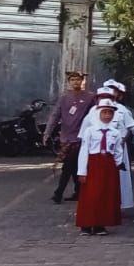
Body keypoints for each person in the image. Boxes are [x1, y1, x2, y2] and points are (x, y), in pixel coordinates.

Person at [76, 98, 130, 235]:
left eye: (110, 113)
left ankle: (100, 224)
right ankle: (86, 224)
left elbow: (118, 151)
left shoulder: (115, 133)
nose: (107, 116)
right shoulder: (90, 131)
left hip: (108, 165)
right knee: (91, 194)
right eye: (104, 112)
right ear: (98, 113)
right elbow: (84, 150)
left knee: (105, 194)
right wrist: (82, 171)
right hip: (93, 164)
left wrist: (118, 164)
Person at [43, 69, 94, 203]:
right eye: (72, 80)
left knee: (68, 166)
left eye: (78, 79)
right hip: (66, 138)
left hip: (81, 139)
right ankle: (78, 192)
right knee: (73, 166)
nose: (75, 82)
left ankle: (58, 193)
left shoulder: (90, 97)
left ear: (83, 81)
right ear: (69, 82)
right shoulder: (64, 97)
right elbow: (55, 116)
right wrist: (47, 132)